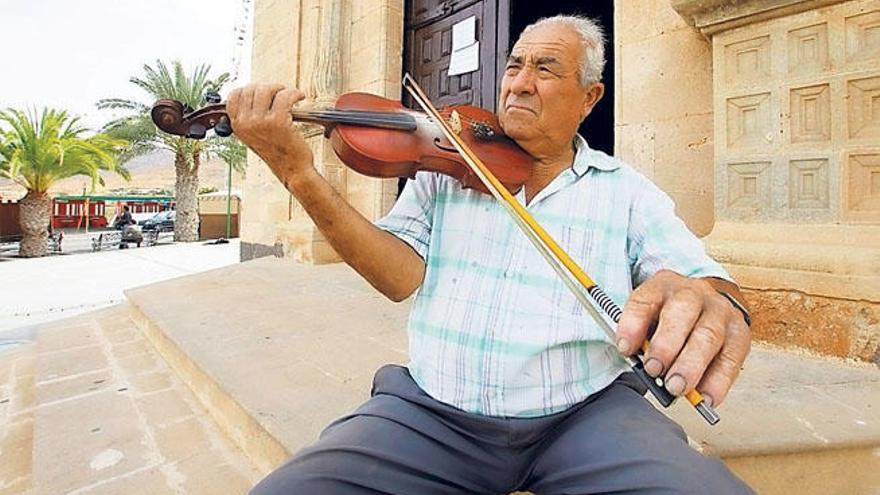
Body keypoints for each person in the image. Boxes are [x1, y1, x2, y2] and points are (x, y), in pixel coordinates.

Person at [230, 14, 753, 494]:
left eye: (545, 69)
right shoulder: (448, 165)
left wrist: (709, 300)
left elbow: (705, 280)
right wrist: (298, 173)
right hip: (432, 414)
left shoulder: (627, 191)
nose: (519, 83)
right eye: (514, 66)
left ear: (590, 98)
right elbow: (396, 277)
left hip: (586, 415)